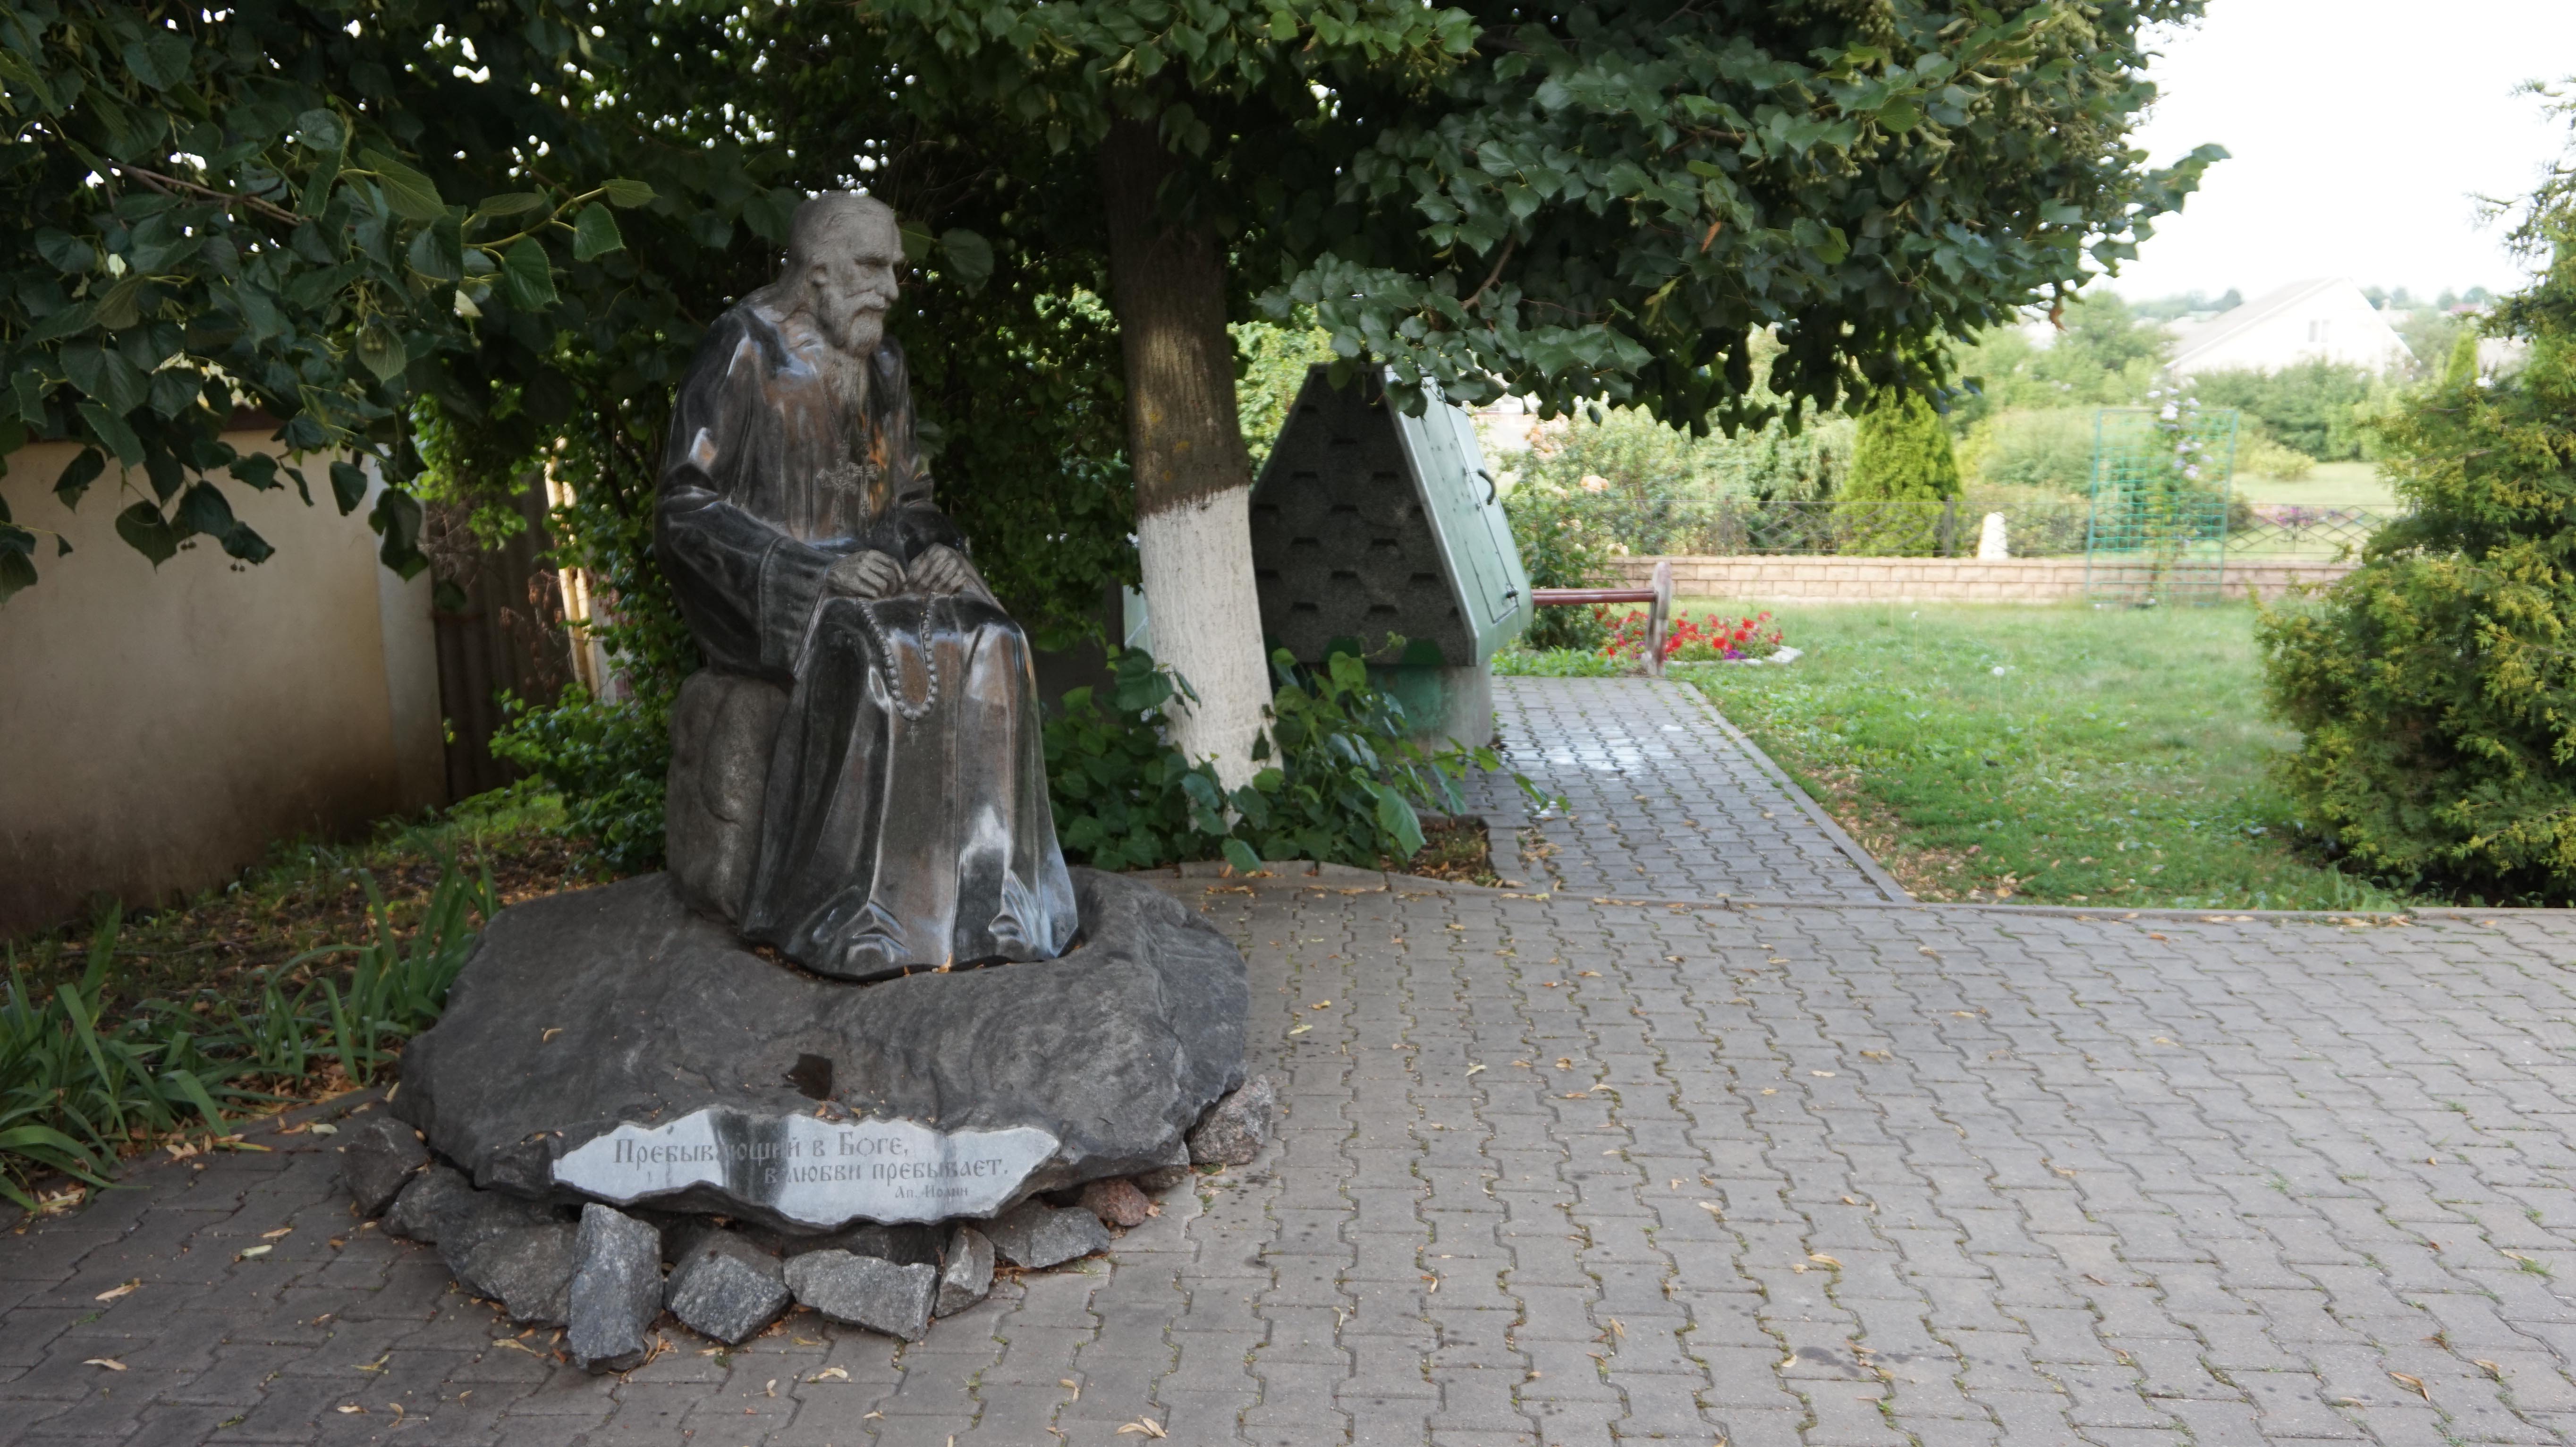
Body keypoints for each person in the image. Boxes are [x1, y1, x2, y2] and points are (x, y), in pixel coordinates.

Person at [656, 191, 1075, 980]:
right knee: (886, 655)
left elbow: (908, 497)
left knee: (993, 641)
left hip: (878, 580)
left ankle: (996, 897)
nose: (891, 289)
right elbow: (684, 507)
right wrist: (812, 572)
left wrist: (938, 550)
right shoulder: (743, 346)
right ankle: (853, 908)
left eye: (896, 269)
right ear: (818, 271)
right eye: (873, 267)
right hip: (775, 596)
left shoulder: (884, 364)